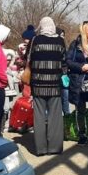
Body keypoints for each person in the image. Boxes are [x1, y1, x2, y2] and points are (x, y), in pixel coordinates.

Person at [28, 17, 67, 156]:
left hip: (38, 84)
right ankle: (54, 148)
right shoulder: (60, 41)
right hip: (55, 85)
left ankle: (41, 149)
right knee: (55, 117)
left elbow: (29, 60)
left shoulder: (35, 40)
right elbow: (64, 62)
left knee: (38, 117)